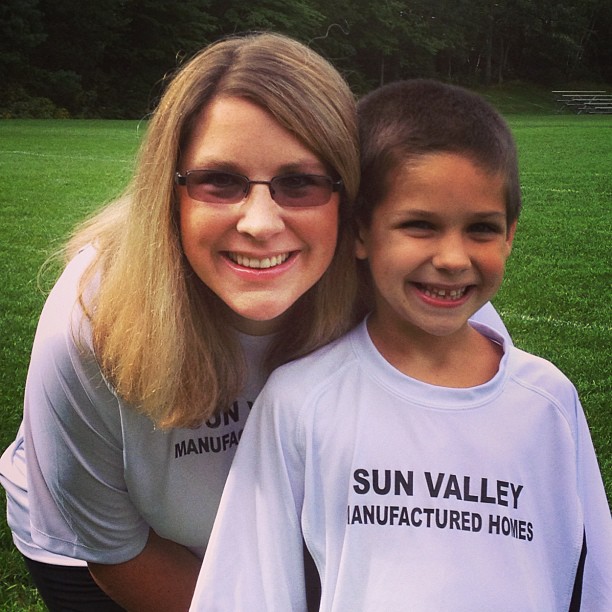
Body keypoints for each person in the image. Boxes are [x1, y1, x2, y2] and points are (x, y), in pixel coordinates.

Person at [0, 36, 508, 609]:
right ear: (171, 194)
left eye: (301, 182)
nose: (262, 223)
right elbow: (117, 554)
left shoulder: (418, 296)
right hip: (123, 547)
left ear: (350, 196)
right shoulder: (94, 319)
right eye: (220, 180)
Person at [189, 79, 612, 611]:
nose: (454, 258)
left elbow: (592, 580)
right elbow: (249, 590)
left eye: (482, 229)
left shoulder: (548, 402)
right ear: (361, 232)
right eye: (419, 226)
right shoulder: (302, 399)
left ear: (510, 234)